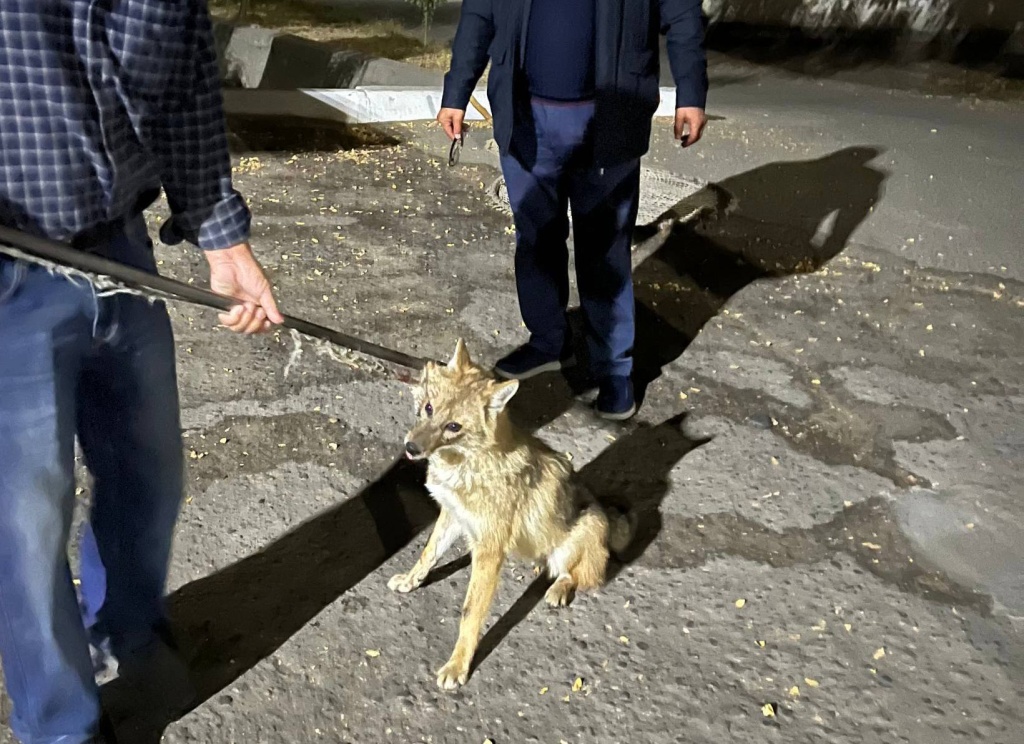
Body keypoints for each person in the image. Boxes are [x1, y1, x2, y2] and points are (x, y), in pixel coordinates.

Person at [0, 2, 283, 742]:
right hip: (8, 276)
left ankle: (128, 629)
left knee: (150, 473)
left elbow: (187, 92)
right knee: (25, 523)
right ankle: (60, 725)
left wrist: (224, 243)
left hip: (121, 254)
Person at [438, 0, 709, 420]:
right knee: (537, 240)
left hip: (611, 120)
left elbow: (682, 14)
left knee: (605, 248)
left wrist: (690, 92)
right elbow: (479, 14)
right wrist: (457, 91)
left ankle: (615, 368)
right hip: (526, 119)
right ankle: (548, 340)